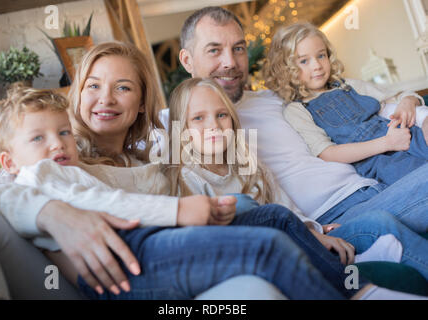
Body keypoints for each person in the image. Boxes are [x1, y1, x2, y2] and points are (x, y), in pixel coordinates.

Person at [0, 84, 422, 300]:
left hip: (164, 238)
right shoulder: (39, 178)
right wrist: (180, 210)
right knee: (262, 231)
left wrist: (310, 227)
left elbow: (131, 181)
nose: (57, 145)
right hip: (133, 262)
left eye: (62, 133)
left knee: (274, 217)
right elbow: (2, 194)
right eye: (38, 139)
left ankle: (360, 284)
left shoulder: (79, 168)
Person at [162, 6, 428, 260]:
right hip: (333, 216)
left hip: (377, 184)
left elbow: (371, 106)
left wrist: (417, 109)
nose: (230, 62)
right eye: (214, 50)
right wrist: (310, 230)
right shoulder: (176, 124)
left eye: (238, 48)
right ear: (187, 59)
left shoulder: (281, 98)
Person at [162, 76, 428, 279]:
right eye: (198, 118)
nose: (213, 125)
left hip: (327, 220)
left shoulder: (251, 166)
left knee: (379, 219)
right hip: (291, 244)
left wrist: (314, 229)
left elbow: (285, 208)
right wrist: (312, 233)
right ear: (179, 128)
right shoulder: (187, 179)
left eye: (221, 115)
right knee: (375, 222)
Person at [264, 22, 427, 186]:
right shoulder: (297, 110)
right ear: (286, 69)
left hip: (404, 135)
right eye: (304, 61)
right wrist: (387, 143)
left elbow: (397, 97)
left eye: (321, 55)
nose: (317, 66)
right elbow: (328, 154)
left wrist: (408, 101)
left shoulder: (347, 85)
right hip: (379, 159)